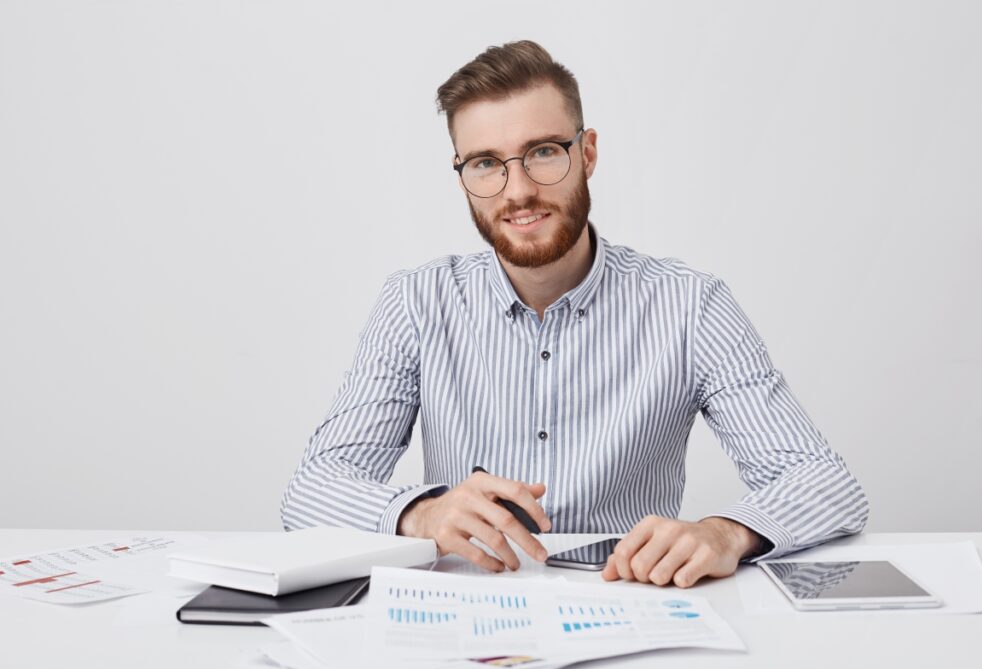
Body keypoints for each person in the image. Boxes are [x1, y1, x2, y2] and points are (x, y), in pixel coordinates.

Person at [280, 40, 868, 589]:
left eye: (542, 152)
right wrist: (422, 512)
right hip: (466, 610)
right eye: (486, 163)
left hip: (631, 604)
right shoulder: (416, 302)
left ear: (586, 153)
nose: (517, 191)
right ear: (462, 177)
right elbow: (311, 491)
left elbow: (825, 484)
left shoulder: (690, 305)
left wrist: (723, 533)